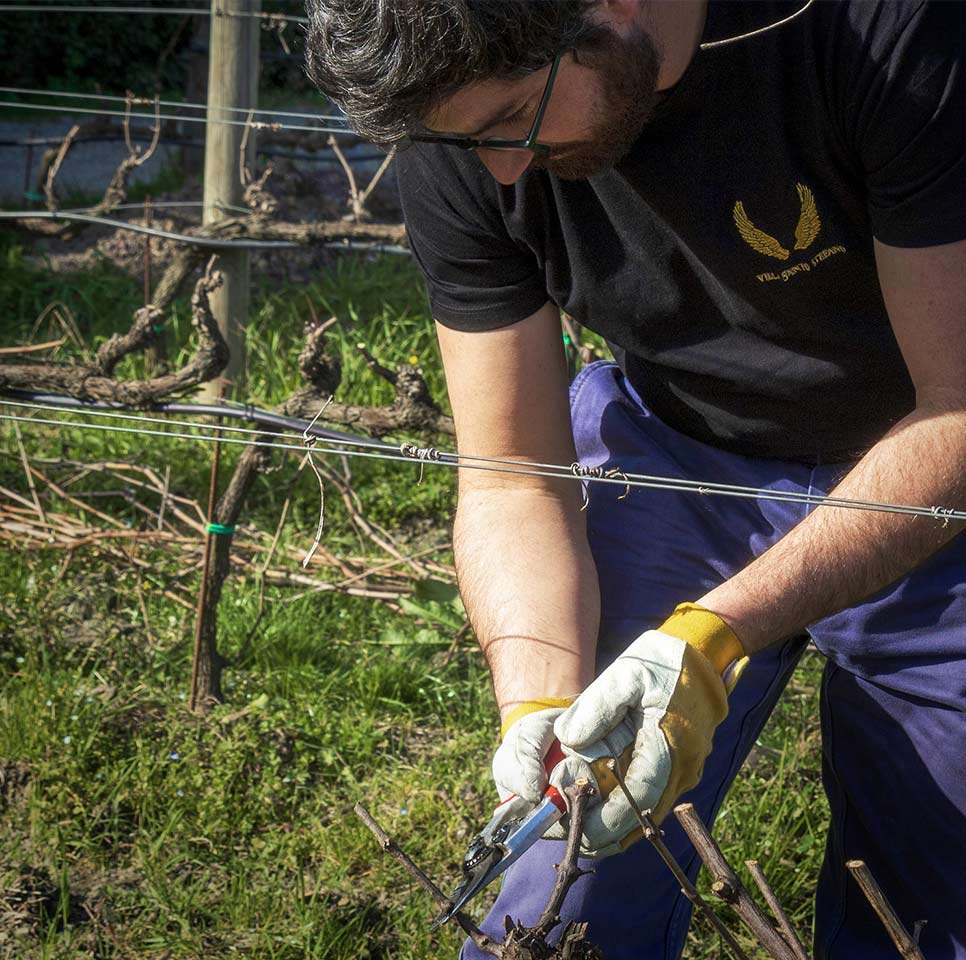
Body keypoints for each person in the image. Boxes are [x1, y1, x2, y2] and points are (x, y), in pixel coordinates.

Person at [305, 1, 966, 957]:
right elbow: (510, 479)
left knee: (930, 903)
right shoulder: (458, 114)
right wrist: (537, 707)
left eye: (512, 121)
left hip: (935, 473)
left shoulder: (887, 33)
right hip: (679, 454)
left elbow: (956, 410)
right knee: (555, 893)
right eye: (467, 139)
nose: (500, 168)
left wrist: (711, 634)